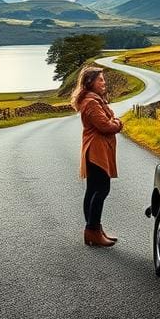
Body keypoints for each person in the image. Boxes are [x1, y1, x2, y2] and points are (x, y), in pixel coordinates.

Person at [71, 66, 123, 248]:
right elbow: (105, 126)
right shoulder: (91, 102)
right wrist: (118, 123)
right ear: (90, 82)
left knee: (93, 189)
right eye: (100, 79)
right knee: (101, 189)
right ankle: (92, 230)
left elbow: (105, 122)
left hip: (95, 149)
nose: (104, 82)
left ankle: (94, 229)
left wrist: (112, 121)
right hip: (96, 151)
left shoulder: (94, 100)